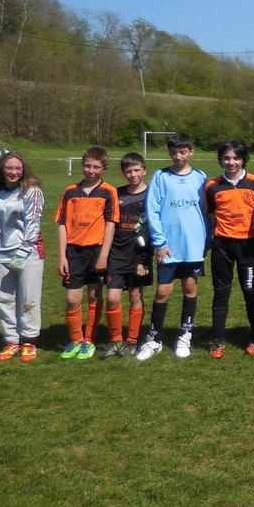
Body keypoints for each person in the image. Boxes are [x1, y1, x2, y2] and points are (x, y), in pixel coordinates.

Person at [136, 132, 208, 361]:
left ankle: (185, 336)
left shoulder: (200, 177)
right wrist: (160, 243)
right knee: (163, 291)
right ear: (169, 153)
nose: (178, 156)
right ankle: (154, 339)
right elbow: (153, 210)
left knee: (190, 288)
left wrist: (204, 241)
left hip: (193, 246)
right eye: (174, 152)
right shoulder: (161, 177)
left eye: (183, 152)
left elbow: (206, 211)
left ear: (191, 152)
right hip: (168, 247)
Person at [0, 151, 45, 362]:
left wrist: (22, 253)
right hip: (1, 252)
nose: (14, 172)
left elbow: (33, 224)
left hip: (28, 253)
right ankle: (11, 340)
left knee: (28, 298)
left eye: (18, 168)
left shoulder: (32, 191)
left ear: (23, 170)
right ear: (1, 169)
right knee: (5, 298)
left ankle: (29, 341)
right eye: (9, 168)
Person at [55, 146, 118, 361]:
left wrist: (103, 255)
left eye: (96, 167)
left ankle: (88, 340)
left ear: (104, 168)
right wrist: (62, 256)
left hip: (96, 251)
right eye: (87, 166)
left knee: (93, 295)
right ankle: (75, 339)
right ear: (82, 166)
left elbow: (110, 224)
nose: (91, 171)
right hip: (73, 252)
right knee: (72, 298)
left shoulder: (108, 192)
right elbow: (62, 224)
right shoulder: (70, 192)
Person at [205, 140, 254, 359]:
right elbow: (211, 216)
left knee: (250, 292)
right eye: (227, 158)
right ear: (221, 160)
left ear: (243, 160)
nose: (232, 162)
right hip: (222, 246)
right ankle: (218, 341)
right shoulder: (212, 186)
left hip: (247, 246)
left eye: (236, 158)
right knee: (221, 293)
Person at [100, 153, 154, 358]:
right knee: (112, 297)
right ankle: (115, 339)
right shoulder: (117, 194)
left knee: (135, 296)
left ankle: (132, 340)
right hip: (116, 253)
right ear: (123, 173)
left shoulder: (151, 195)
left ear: (144, 170)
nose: (133, 174)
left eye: (137, 170)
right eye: (129, 171)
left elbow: (153, 230)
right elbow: (109, 223)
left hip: (138, 255)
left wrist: (144, 260)